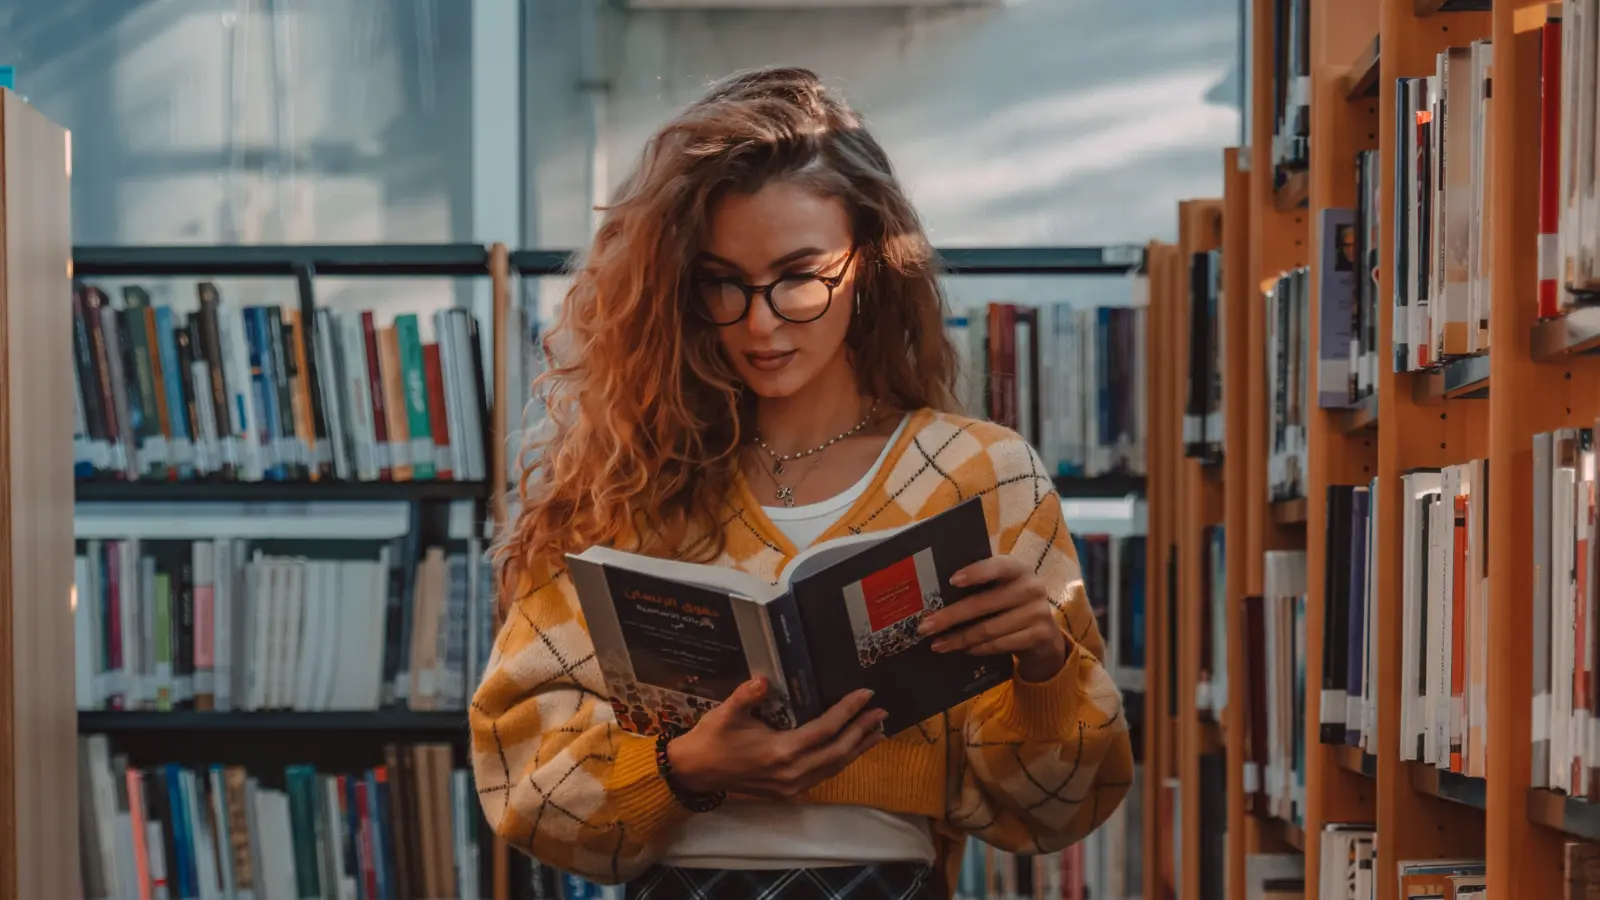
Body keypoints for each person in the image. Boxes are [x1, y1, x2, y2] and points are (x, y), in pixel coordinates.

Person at [471, 66, 1133, 900]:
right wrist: (682, 769)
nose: (759, 322)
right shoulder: (622, 484)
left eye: (799, 276)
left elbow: (1060, 811)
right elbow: (521, 783)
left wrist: (1043, 666)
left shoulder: (981, 474)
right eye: (721, 283)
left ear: (874, 263)